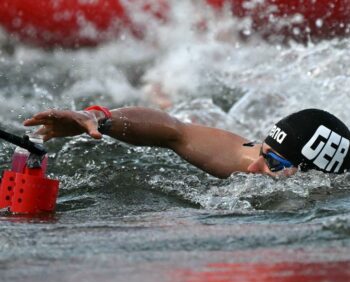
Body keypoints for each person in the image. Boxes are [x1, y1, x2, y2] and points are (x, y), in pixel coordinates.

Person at [23, 106, 350, 179]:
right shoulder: (249, 163)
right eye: (261, 152)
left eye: (273, 164)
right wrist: (98, 119)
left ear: (315, 176)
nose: (253, 165)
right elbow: (175, 131)